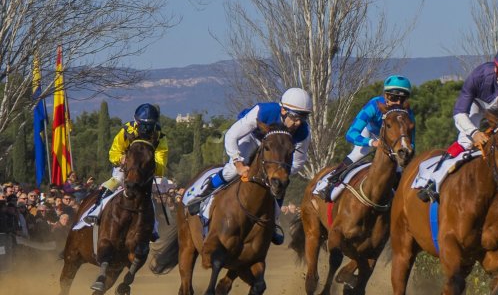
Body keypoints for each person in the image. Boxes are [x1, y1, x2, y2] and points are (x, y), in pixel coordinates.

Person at [184, 87, 312, 244]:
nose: (298, 123)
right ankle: (202, 196)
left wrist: (278, 170)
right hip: (251, 138)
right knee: (232, 169)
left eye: (303, 118)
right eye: (295, 117)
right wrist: (238, 163)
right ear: (283, 110)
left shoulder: (304, 132)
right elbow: (231, 135)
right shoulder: (263, 111)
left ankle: (274, 221)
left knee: (281, 182)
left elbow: (299, 161)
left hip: (274, 153)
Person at [417, 45, 498, 202]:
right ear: (497, 70)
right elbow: (459, 112)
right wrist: (475, 133)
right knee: (466, 140)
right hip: (477, 103)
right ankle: (433, 181)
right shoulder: (479, 75)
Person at [316, 75, 415, 201]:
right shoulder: (374, 105)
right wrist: (371, 142)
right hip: (371, 134)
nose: (397, 103)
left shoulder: (408, 114)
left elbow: (412, 143)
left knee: (400, 169)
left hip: (393, 140)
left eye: (402, 99)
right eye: (394, 97)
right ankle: (328, 183)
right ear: (386, 96)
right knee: (357, 154)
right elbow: (351, 133)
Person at [84, 103, 169, 223]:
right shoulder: (126, 131)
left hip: (145, 171)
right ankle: (96, 209)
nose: (145, 130)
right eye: (142, 125)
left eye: (149, 126)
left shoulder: (160, 138)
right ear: (136, 122)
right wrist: (122, 159)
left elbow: (161, 165)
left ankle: (153, 226)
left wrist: (149, 164)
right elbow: (113, 153)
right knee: (117, 179)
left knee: (147, 194)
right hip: (124, 168)